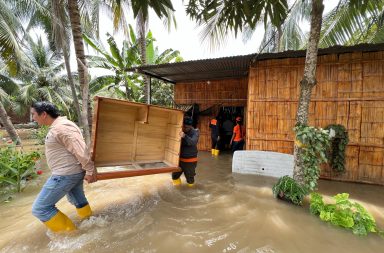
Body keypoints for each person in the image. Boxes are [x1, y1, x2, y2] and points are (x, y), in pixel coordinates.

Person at [31, 101, 97, 233]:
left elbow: (80, 150)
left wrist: (90, 170)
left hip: (65, 175)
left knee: (40, 208)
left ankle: (72, 236)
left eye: (33, 114)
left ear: (43, 114)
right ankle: (91, 225)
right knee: (78, 200)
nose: (32, 118)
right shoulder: (60, 126)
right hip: (70, 173)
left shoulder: (62, 128)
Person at [172, 116, 199, 187]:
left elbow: (193, 142)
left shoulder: (195, 132)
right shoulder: (180, 130)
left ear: (190, 126)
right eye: (184, 127)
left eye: (187, 127)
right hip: (179, 160)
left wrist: (184, 136)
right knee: (174, 177)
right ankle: (178, 192)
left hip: (190, 161)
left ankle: (190, 194)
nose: (185, 129)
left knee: (190, 180)